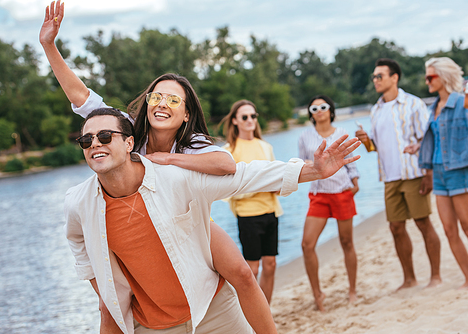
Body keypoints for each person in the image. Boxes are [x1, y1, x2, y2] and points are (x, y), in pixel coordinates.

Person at [39, 2, 273, 333]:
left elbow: (225, 164)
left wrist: (169, 158)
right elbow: (82, 98)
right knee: (111, 306)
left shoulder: (191, 144)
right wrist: (49, 45)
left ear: (187, 113)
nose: (163, 104)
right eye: (156, 97)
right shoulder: (127, 129)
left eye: (174, 100)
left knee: (242, 273)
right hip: (134, 222)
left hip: (186, 220)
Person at [66, 107, 360, 333]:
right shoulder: (78, 203)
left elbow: (243, 177)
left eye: (105, 136)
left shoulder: (174, 178)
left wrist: (312, 171)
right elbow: (78, 242)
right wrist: (102, 287)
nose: (95, 143)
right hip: (151, 326)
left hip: (212, 309)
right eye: (86, 139)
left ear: (130, 143)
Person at [355, 58, 442, 290]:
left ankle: (435, 277)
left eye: (379, 76)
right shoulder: (375, 110)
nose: (375, 80)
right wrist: (366, 142)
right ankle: (409, 279)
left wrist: (428, 173)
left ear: (394, 78)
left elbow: (428, 138)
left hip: (414, 173)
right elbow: (375, 147)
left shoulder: (413, 104)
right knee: (396, 228)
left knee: (423, 223)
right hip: (390, 178)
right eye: (374, 76)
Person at [416, 57, 468, 290]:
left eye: (430, 76)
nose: (427, 81)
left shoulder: (462, 101)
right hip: (438, 173)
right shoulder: (433, 108)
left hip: (458, 171)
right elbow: (435, 140)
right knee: (449, 230)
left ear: (444, 77)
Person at [298, 95, 359, 309]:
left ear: (331, 110)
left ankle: (352, 291)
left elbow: (350, 162)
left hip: (342, 191)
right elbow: (300, 165)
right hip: (319, 195)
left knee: (347, 242)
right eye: (314, 108)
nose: (319, 111)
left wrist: (355, 180)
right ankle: (318, 294)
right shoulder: (305, 137)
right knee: (307, 245)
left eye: (323, 107)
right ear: (311, 113)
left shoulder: (342, 134)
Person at [220, 100, 282, 304]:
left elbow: (277, 181)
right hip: (248, 216)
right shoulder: (229, 150)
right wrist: (262, 185)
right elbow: (228, 190)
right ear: (235, 121)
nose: (250, 120)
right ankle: (248, 316)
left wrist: (277, 185)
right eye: (245, 117)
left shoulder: (266, 146)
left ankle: (266, 311)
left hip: (271, 212)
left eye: (253, 116)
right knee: (252, 269)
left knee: (271, 265)